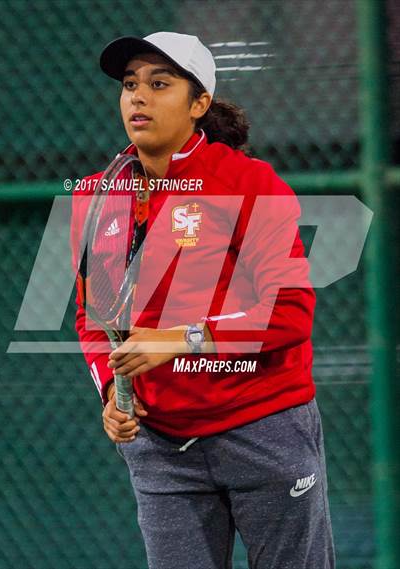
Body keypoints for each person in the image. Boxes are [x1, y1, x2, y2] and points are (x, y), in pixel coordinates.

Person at [71, 31, 335, 569]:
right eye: (129, 85)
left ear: (199, 104)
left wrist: (181, 338)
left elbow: (289, 310)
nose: (137, 97)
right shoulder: (96, 195)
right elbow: (93, 315)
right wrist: (112, 394)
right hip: (162, 447)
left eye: (159, 84)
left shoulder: (248, 181)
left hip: (263, 426)